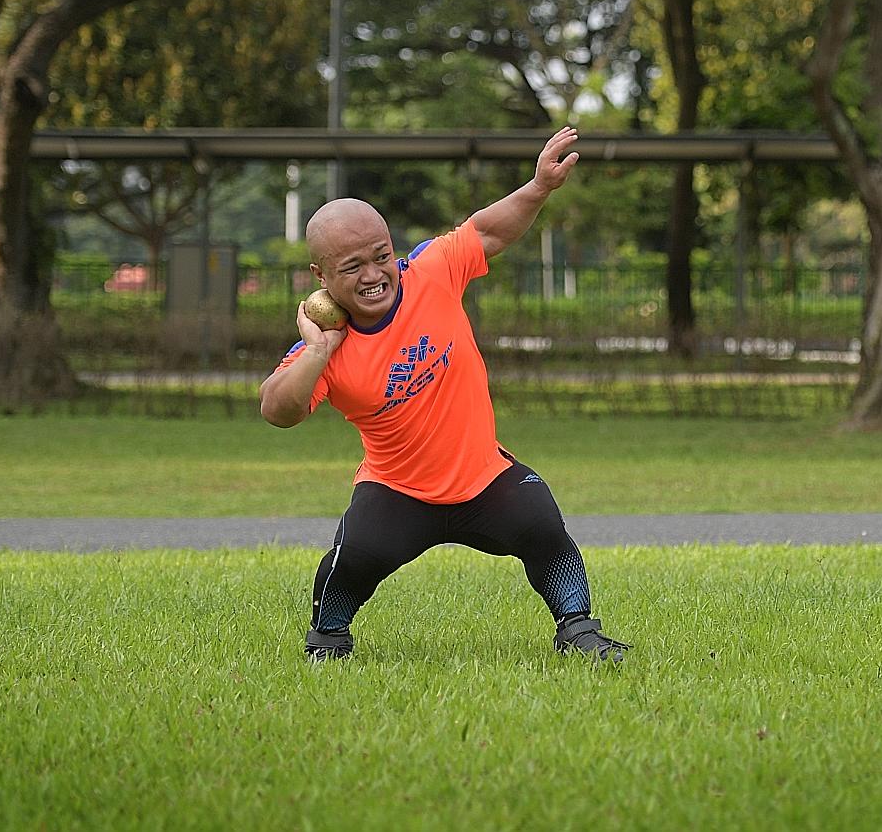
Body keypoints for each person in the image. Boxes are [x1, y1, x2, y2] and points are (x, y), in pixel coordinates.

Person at [259, 127, 628, 664]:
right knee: (353, 557)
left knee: (542, 524)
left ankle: (578, 630)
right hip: (397, 491)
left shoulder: (431, 271)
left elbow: (489, 231)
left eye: (380, 255)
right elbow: (276, 410)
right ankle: (328, 640)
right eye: (352, 267)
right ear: (320, 276)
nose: (373, 275)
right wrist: (318, 351)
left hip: (483, 478)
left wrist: (539, 187)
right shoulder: (325, 347)